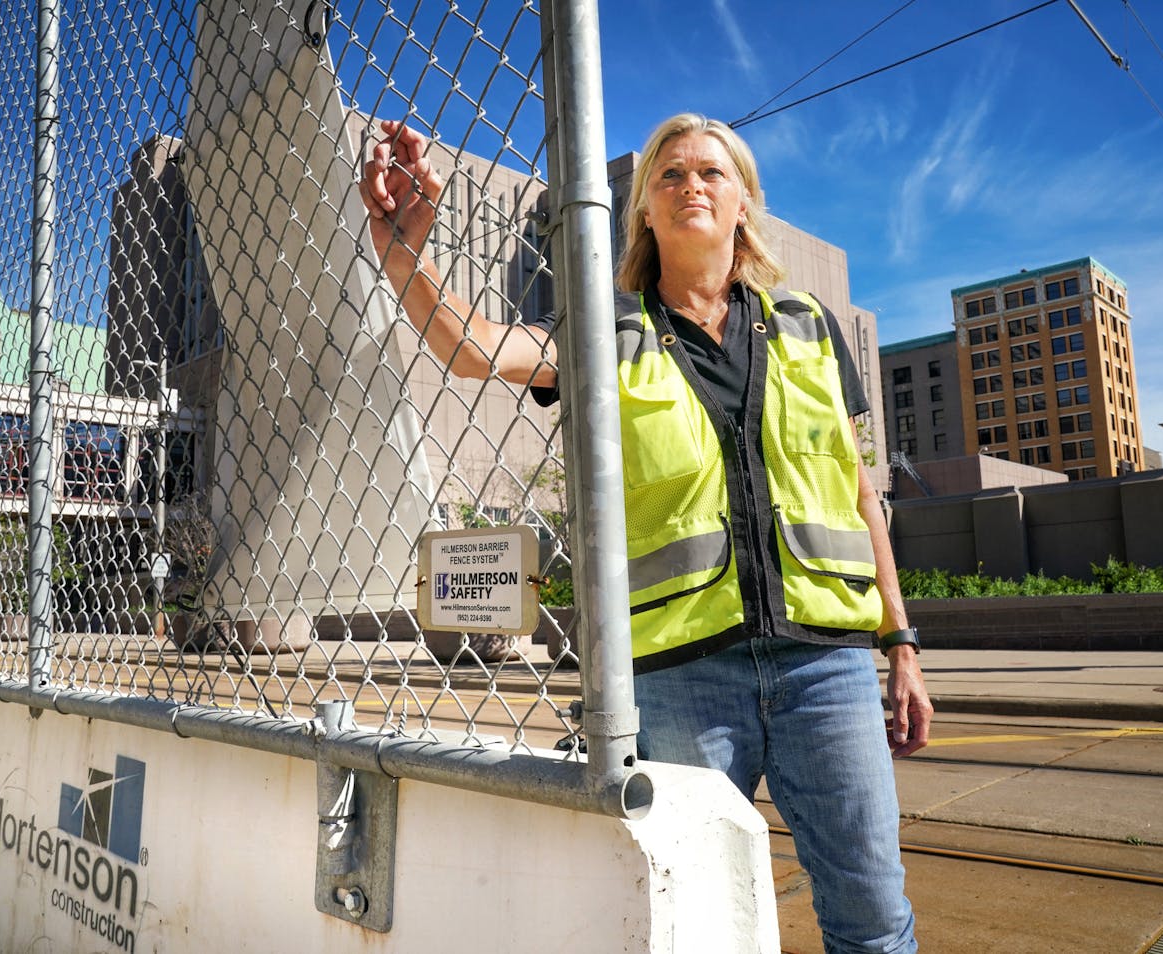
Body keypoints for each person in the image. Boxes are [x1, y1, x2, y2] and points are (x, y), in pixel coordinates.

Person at [361, 113, 932, 954]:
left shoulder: (810, 327)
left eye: (711, 173)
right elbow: (474, 349)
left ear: (744, 204)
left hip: (827, 666)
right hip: (683, 675)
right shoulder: (608, 330)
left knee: (873, 917)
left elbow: (858, 495)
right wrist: (404, 249)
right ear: (645, 215)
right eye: (669, 175)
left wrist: (903, 644)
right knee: (696, 923)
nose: (691, 185)